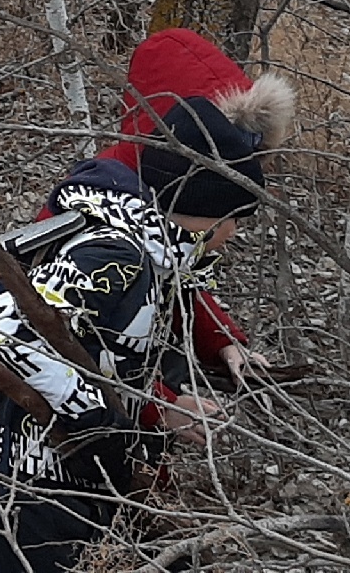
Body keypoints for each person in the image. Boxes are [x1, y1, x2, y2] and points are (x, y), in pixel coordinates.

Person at [0, 100, 265, 573]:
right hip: (39, 465)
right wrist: (92, 415)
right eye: (235, 219)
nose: (235, 233)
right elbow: (5, 330)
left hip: (81, 464)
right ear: (206, 211)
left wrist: (159, 408)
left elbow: (109, 354)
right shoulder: (118, 252)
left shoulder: (160, 255)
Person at [92, 29, 292, 385]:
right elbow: (85, 355)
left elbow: (177, 284)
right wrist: (164, 409)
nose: (231, 229)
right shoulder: (101, 214)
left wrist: (223, 342)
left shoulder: (156, 199)